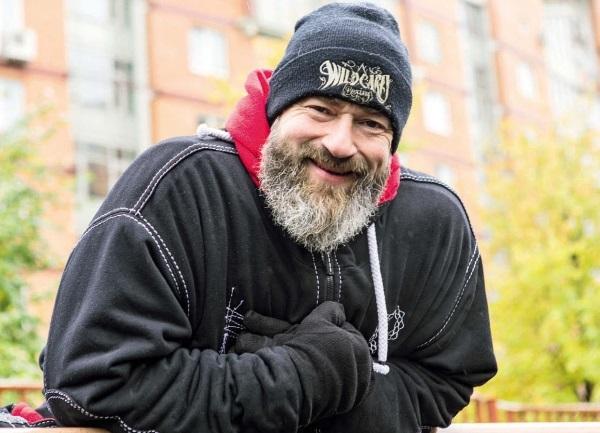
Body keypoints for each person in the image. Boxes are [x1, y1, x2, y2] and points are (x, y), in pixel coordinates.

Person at [40, 2, 497, 433]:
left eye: (371, 123)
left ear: (392, 139)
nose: (340, 143)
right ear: (278, 108)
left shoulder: (434, 222)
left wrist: (345, 390)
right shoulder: (179, 187)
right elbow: (92, 384)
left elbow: (449, 377)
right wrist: (299, 375)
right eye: (321, 110)